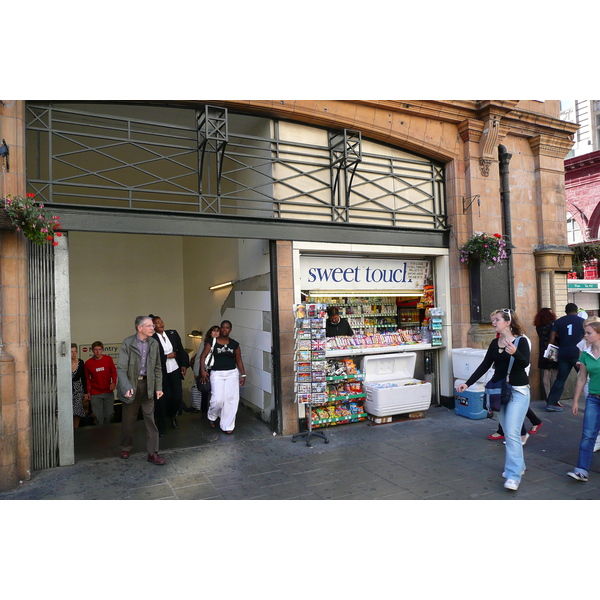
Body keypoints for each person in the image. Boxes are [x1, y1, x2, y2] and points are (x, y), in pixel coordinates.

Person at [457, 308, 531, 491]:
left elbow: (525, 364)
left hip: (518, 391)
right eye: (493, 320)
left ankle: (513, 475)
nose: (493, 323)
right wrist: (468, 383)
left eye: (496, 319)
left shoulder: (521, 341)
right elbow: (484, 365)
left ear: (508, 322)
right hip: (499, 391)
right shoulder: (494, 343)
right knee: (508, 431)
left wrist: (514, 352)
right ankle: (519, 466)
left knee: (513, 433)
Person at [116, 316, 165, 465]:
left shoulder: (154, 343)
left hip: (148, 386)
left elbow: (157, 367)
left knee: (150, 420)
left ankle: (153, 452)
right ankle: (125, 447)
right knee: (129, 420)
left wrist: (158, 387)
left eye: (152, 326)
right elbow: (121, 369)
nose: (153, 328)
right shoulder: (128, 343)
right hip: (131, 386)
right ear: (140, 328)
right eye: (149, 326)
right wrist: (126, 387)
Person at [199, 320, 246, 433]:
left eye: (227, 327)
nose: (225, 329)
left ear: (230, 330)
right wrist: (202, 371)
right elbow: (203, 356)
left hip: (232, 373)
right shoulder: (212, 342)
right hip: (217, 373)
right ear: (220, 329)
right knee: (217, 399)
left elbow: (238, 360)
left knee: (231, 400)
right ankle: (212, 415)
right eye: (223, 327)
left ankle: (227, 425)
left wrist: (243, 374)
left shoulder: (235, 344)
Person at [567, 320, 600, 482]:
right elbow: (581, 379)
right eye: (585, 333)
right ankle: (581, 470)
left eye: (589, 333)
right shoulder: (586, 354)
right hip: (594, 398)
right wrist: (575, 401)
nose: (585, 336)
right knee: (588, 434)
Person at [149, 315, 190, 433]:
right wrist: (166, 356)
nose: (161, 324)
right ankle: (161, 426)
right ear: (153, 326)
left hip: (175, 369)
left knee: (177, 397)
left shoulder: (173, 334)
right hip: (161, 372)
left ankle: (172, 415)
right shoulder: (151, 339)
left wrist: (183, 364)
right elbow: (151, 357)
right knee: (162, 400)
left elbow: (181, 350)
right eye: (157, 323)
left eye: (161, 321)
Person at [545, 303, 585, 412]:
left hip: (563, 352)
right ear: (576, 311)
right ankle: (593, 403)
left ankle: (551, 403)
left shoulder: (558, 322)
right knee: (585, 377)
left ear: (565, 311)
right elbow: (587, 336)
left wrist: (549, 354)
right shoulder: (582, 322)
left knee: (560, 378)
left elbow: (552, 338)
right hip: (577, 353)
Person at [576, 316, 600, 453]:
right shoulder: (584, 345)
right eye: (585, 330)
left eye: (590, 331)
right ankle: (596, 440)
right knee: (592, 420)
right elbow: (582, 361)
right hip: (590, 385)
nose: (586, 334)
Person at [84, 341, 118, 426]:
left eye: (99, 349)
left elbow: (113, 372)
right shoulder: (88, 363)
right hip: (95, 392)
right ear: (92, 350)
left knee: (109, 414)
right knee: (98, 417)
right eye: (95, 349)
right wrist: (87, 391)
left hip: (108, 391)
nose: (97, 351)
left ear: (102, 350)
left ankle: (108, 433)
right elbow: (87, 378)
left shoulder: (108, 359)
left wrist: (113, 382)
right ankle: (100, 435)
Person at [192, 325, 220, 415]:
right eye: (213, 331)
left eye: (217, 331)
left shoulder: (222, 343)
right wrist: (197, 372)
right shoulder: (205, 343)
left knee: (216, 391)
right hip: (206, 370)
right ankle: (204, 411)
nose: (215, 333)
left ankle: (215, 411)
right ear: (210, 333)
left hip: (217, 370)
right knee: (205, 390)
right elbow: (199, 357)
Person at [534, 307, 558, 402]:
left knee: (546, 374)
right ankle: (554, 397)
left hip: (543, 349)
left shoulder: (538, 325)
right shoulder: (553, 323)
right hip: (554, 349)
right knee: (556, 374)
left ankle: (548, 396)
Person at [71, 343, 89, 428]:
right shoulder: (63, 363)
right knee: (69, 410)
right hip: (67, 389)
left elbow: (84, 377)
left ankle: (76, 428)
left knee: (77, 410)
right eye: (71, 352)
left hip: (78, 388)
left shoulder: (80, 362)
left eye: (75, 351)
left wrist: (85, 392)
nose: (73, 354)